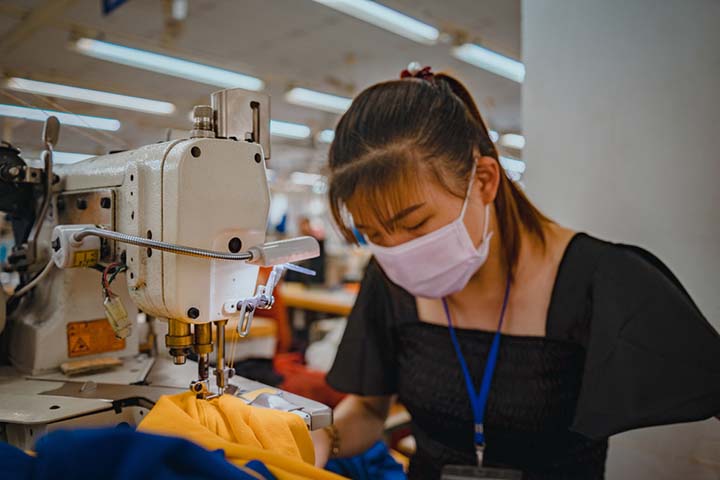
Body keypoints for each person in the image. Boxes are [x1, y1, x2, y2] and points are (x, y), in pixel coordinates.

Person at [310, 65, 720, 479]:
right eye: (373, 233)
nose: (397, 250)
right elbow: (367, 407)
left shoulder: (599, 282)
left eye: (415, 224)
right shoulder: (387, 282)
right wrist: (323, 440)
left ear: (484, 181)